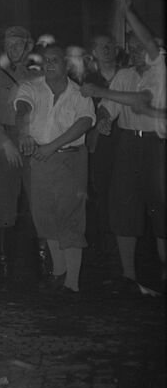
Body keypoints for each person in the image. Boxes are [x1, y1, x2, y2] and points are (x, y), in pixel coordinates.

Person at [81, 0, 166, 293]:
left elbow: (140, 101)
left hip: (158, 146)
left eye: (141, 46)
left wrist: (128, 11)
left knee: (162, 208)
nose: (136, 51)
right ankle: (128, 277)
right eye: (132, 47)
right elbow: (108, 106)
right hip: (129, 146)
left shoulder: (161, 69)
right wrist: (103, 118)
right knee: (124, 206)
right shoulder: (124, 75)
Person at [15, 43, 95, 297]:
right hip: (40, 160)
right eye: (46, 60)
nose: (49, 64)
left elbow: (84, 122)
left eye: (55, 60)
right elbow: (22, 108)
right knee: (46, 216)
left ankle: (73, 283)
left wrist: (52, 147)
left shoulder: (80, 93)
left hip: (70, 160)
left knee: (70, 218)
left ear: (66, 65)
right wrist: (25, 132)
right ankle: (59, 273)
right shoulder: (32, 87)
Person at [0, 25, 38, 287]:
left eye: (19, 44)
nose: (14, 50)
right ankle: (5, 264)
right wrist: (6, 145)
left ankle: (42, 262)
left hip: (33, 141)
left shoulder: (38, 77)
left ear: (29, 46)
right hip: (5, 142)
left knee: (39, 200)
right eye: (10, 45)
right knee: (5, 203)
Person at [83, 33, 121, 278]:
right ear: (93, 52)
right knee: (103, 195)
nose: (106, 49)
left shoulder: (127, 77)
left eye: (110, 45)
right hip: (101, 145)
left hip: (126, 141)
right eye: (101, 46)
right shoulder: (88, 82)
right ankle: (107, 250)